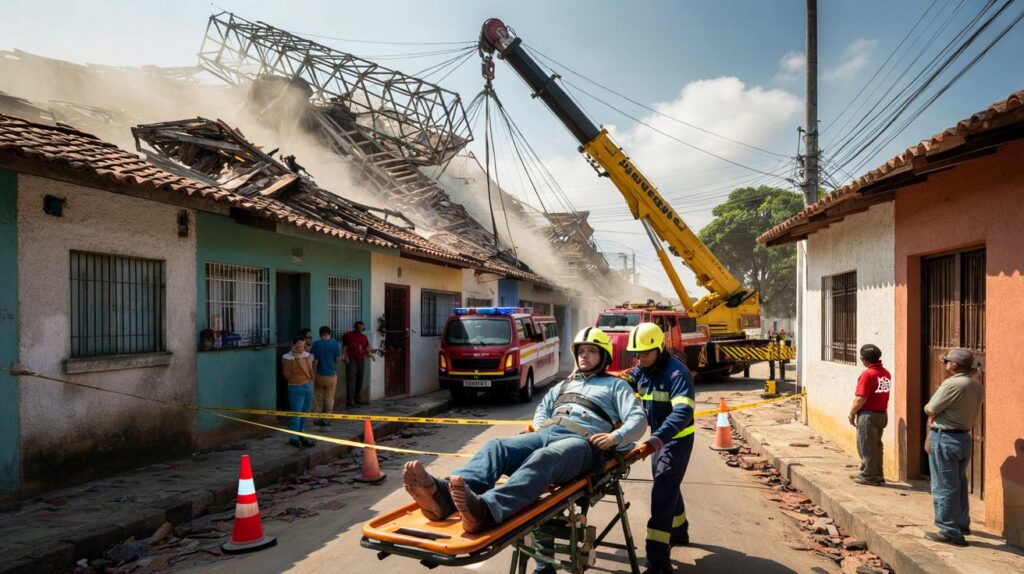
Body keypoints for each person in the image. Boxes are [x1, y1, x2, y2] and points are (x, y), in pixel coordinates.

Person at [401, 327, 647, 537]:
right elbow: (543, 408)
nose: (584, 355)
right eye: (581, 351)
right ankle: (443, 498)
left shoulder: (616, 386)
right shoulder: (565, 384)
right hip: (548, 433)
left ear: (604, 356)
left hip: (581, 444)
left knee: (545, 457)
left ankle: (486, 511)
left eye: (591, 351)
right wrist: (541, 428)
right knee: (497, 446)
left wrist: (614, 437)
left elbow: (638, 419)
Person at [619, 322, 696, 574]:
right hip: (659, 440)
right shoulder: (643, 370)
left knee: (662, 491)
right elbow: (624, 380)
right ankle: (680, 530)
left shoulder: (677, 374)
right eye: (637, 355)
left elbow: (683, 412)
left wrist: (655, 440)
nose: (641, 359)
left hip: (677, 440)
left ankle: (658, 562)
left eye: (645, 354)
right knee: (668, 484)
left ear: (659, 348)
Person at [923, 347, 983, 547]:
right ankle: (961, 524)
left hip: (945, 437)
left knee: (944, 485)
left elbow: (930, 408)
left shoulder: (953, 384)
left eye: (947, 361)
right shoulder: (976, 384)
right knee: (959, 483)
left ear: (954, 365)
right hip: (963, 438)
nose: (945, 364)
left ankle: (949, 530)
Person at [848, 344, 892, 486]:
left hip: (868, 415)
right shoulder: (886, 373)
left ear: (864, 360)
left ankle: (868, 476)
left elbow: (861, 398)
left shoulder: (868, 375)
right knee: (877, 446)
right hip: (882, 414)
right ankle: (877, 474)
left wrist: (851, 413)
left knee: (866, 446)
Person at [281, 337, 316, 448]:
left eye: (303, 345)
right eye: (300, 345)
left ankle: (301, 434)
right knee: (296, 414)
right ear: (294, 345)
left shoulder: (307, 355)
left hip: (308, 386)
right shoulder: (287, 357)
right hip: (296, 387)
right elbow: (287, 375)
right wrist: (296, 359)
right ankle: (294, 437)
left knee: (304, 413)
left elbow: (311, 370)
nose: (303, 347)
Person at [311, 326, 343, 427]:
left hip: (319, 375)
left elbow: (314, 359)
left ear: (320, 334)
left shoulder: (316, 344)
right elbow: (337, 359)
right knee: (329, 397)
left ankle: (316, 418)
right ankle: (327, 419)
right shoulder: (335, 344)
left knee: (318, 397)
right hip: (331, 376)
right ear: (330, 333)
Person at [342, 321, 376, 408]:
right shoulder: (348, 335)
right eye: (359, 328)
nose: (360, 329)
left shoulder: (364, 337)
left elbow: (366, 348)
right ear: (355, 327)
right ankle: (350, 402)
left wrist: (371, 354)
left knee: (360, 380)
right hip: (351, 359)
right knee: (351, 381)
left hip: (361, 359)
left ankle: (358, 399)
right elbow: (344, 347)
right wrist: (345, 357)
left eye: (362, 328)